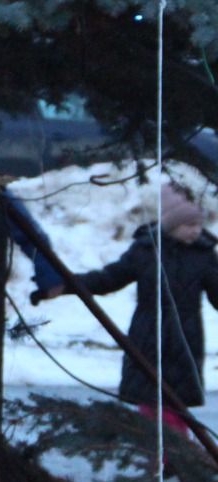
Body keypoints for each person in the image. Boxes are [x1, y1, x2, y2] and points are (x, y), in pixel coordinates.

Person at [40, 181, 215, 433]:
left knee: (176, 405)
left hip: (184, 340)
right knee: (150, 401)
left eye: (199, 225)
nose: (195, 231)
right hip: (146, 336)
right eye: (189, 225)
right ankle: (157, 458)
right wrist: (67, 284)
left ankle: (178, 459)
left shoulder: (204, 255)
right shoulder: (145, 250)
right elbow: (109, 278)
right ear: (172, 225)